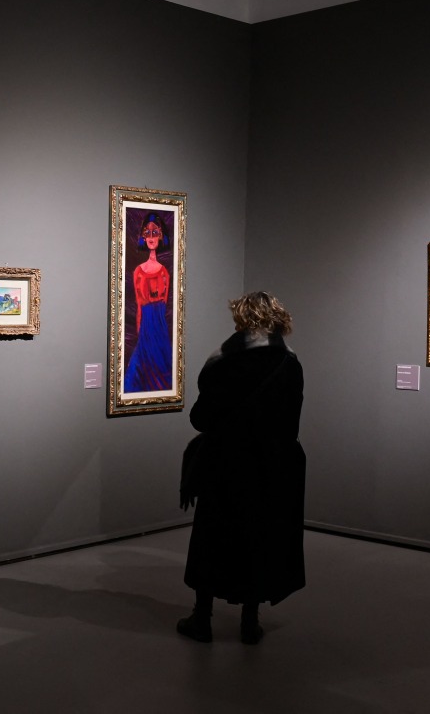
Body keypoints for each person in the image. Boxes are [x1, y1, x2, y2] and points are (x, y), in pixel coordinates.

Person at [177, 291, 305, 645]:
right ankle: (250, 622)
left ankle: (202, 618)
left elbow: (201, 418)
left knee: (212, 538)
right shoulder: (289, 363)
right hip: (270, 468)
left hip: (225, 464)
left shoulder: (225, 360)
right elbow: (291, 424)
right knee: (258, 539)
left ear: (242, 320)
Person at [123, 213, 174, 393]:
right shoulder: (138, 271)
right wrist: (140, 331)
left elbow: (163, 305)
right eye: (148, 233)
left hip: (159, 328)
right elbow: (139, 304)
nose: (151, 237)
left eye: (155, 232)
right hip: (145, 326)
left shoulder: (164, 272)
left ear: (161, 236)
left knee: (162, 367)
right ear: (143, 237)